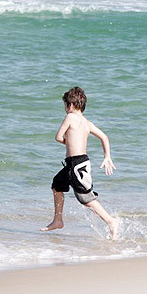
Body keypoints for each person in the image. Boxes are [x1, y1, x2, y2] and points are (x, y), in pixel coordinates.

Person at [41, 86, 120, 239]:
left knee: (85, 198)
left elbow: (58, 137)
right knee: (57, 185)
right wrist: (107, 156)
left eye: (65, 105)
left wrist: (68, 143)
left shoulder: (70, 117)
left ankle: (111, 221)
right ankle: (58, 220)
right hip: (75, 163)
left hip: (77, 165)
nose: (65, 109)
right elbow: (104, 137)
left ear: (70, 105)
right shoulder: (87, 123)